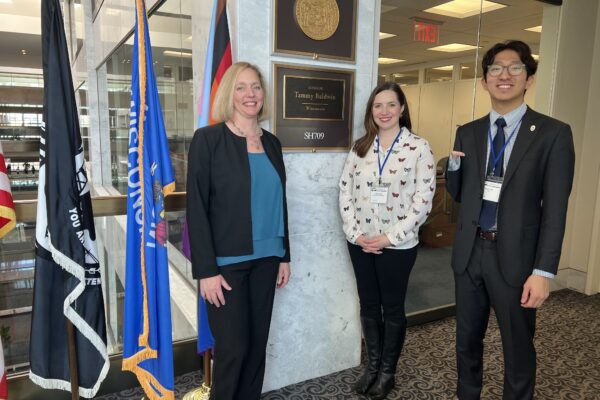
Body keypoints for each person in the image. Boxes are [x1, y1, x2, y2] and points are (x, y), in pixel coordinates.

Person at [446, 40, 575, 400]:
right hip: (470, 254)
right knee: (466, 342)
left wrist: (544, 271)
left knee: (518, 348)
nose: (504, 75)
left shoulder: (552, 133)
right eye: (495, 69)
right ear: (485, 81)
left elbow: (555, 209)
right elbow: (460, 195)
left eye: (514, 67)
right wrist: (452, 166)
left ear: (529, 78)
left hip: (517, 259)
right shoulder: (468, 131)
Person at [186, 61, 291, 400]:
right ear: (229, 94)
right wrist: (206, 271)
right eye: (242, 87)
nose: (250, 94)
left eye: (256, 87)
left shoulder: (272, 143)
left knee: (257, 347)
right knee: (233, 350)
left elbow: (279, 202)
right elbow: (196, 208)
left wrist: (284, 254)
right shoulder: (209, 140)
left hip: (268, 258)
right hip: (226, 263)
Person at [339, 82, 436, 399]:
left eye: (391, 105)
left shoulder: (419, 148)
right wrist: (357, 235)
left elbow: (423, 201)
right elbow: (345, 192)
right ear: (371, 111)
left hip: (397, 246)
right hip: (361, 243)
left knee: (392, 307)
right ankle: (373, 367)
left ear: (402, 109)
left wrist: (388, 237)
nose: (384, 111)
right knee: (368, 304)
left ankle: (387, 373)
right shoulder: (360, 148)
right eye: (377, 106)